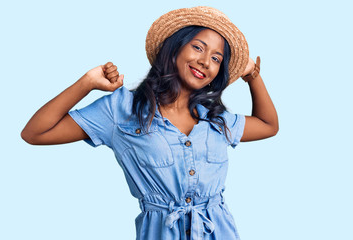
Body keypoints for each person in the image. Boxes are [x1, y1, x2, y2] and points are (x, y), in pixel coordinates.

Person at [21, 6, 278, 240]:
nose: (205, 61)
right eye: (198, 47)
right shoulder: (121, 110)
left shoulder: (215, 118)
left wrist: (252, 75)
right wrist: (87, 83)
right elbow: (35, 133)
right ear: (175, 47)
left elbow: (268, 125)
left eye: (216, 58)